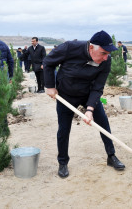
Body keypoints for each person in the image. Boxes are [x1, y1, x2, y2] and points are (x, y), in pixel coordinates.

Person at [43, 30, 125, 178]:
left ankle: (111, 156)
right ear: (92, 47)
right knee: (63, 129)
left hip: (88, 94)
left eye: (108, 54)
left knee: (103, 123)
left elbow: (98, 86)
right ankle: (63, 162)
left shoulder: (106, 61)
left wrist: (90, 109)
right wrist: (50, 86)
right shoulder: (69, 48)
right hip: (66, 95)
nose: (106, 58)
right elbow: (48, 62)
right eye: (103, 53)